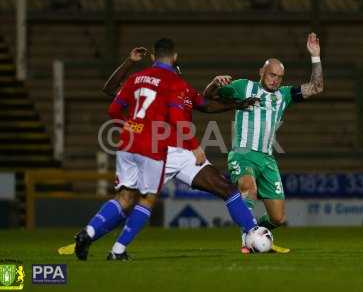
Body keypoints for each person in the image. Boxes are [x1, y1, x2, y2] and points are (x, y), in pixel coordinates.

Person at [74, 38, 259, 261]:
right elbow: (179, 116)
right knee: (143, 200)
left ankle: (253, 231)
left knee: (224, 188)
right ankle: (111, 247)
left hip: (158, 149)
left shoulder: (176, 87)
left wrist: (237, 104)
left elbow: (206, 105)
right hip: (165, 149)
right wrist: (195, 146)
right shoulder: (172, 84)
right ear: (174, 60)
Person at [206, 32, 324, 253]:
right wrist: (214, 83)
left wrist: (315, 57)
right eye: (271, 75)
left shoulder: (284, 95)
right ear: (261, 72)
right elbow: (207, 97)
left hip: (267, 159)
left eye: (279, 77)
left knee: (278, 218)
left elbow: (316, 87)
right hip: (242, 153)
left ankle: (259, 231)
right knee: (248, 187)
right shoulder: (243, 87)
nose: (275, 80)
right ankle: (247, 237)